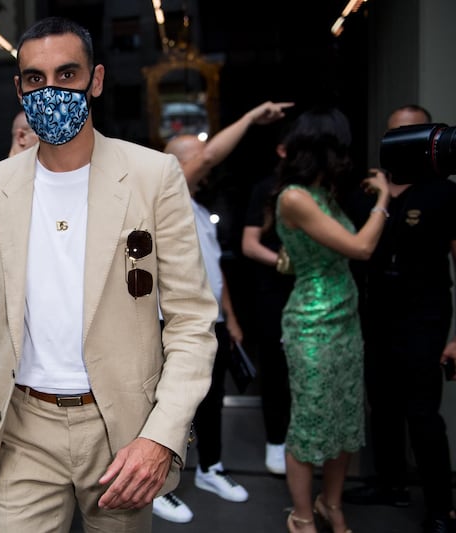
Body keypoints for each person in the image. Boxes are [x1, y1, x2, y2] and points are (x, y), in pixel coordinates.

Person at [0, 17, 219, 532]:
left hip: (123, 431)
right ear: (19, 87)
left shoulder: (154, 177)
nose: (51, 91)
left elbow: (192, 324)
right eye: (35, 79)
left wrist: (162, 435)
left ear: (97, 80)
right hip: (23, 426)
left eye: (67, 75)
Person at [152, 101, 292, 524]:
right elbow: (213, 153)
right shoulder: (166, 193)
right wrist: (250, 117)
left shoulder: (197, 208)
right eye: (195, 153)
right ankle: (159, 486)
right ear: (175, 166)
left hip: (208, 321)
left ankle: (210, 468)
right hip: (172, 323)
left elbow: (215, 271)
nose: (206, 156)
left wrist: (229, 319)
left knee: (211, 402)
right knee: (172, 406)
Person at [342, 104, 456, 533]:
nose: (401, 140)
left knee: (423, 414)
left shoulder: (443, 192)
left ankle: (441, 509)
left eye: (411, 132)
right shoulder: (368, 192)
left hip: (424, 319)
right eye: (395, 133)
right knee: (382, 406)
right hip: (375, 317)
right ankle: (389, 484)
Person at [274, 107, 389, 532]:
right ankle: (302, 516)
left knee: (344, 419)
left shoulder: (323, 192)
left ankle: (331, 503)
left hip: (345, 320)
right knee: (309, 421)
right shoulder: (295, 196)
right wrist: (384, 199)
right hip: (312, 324)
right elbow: (360, 249)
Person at [241, 141, 293, 476]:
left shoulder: (326, 188)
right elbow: (249, 244)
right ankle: (276, 441)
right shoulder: (267, 190)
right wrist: (290, 264)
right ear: (282, 149)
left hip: (322, 295)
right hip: (275, 292)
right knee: (275, 372)